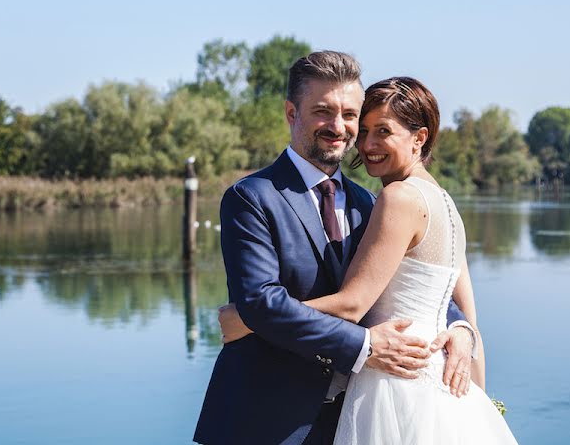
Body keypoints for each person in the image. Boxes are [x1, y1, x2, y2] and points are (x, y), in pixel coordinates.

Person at [193, 53, 477, 445]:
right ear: (292, 113)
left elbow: (400, 281)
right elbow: (262, 301)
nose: (337, 126)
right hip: (265, 422)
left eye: (349, 114)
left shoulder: (369, 202)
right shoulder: (251, 198)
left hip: (352, 420)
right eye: (323, 112)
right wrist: (364, 345)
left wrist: (458, 327)